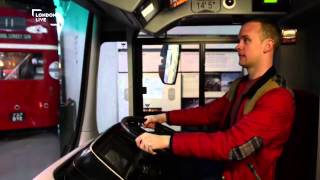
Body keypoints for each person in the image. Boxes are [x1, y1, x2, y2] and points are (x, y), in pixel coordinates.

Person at [135, 19, 295, 180]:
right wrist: (162, 117)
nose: (237, 46)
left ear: (267, 46)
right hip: (223, 166)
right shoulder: (241, 85)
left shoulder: (278, 98)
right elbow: (208, 113)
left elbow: (232, 145)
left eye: (246, 40)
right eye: (239, 40)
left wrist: (167, 141)